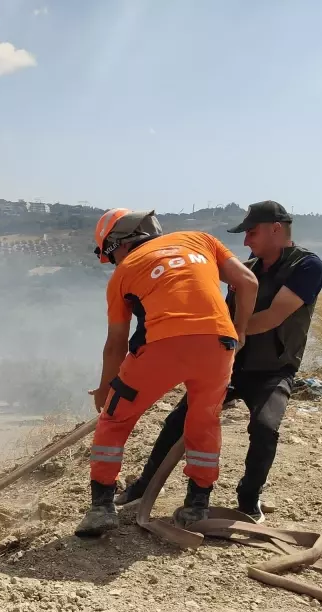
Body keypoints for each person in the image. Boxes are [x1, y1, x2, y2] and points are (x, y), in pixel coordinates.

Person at [114, 201, 322, 522]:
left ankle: (248, 500)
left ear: (276, 229)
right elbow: (220, 315)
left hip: (273, 370)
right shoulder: (246, 270)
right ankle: (142, 487)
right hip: (229, 365)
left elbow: (272, 316)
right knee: (177, 421)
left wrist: (230, 333)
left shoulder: (307, 266)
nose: (245, 241)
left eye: (251, 232)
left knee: (265, 428)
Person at [75, 208, 258, 538]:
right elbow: (248, 282)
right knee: (203, 422)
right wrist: (240, 331)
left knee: (114, 421)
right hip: (219, 345)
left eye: (110, 255)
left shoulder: (123, 274)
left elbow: (116, 343)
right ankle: (196, 507)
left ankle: (101, 507)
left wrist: (105, 390)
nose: (113, 262)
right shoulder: (200, 239)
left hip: (160, 349)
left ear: (118, 243)